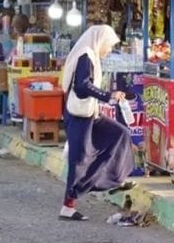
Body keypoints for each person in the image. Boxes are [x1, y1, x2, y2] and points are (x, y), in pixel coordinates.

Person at [57, 25, 136, 221]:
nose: (108, 51)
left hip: (90, 113)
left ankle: (112, 180)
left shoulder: (90, 54)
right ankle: (67, 207)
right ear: (100, 41)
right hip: (79, 115)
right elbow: (82, 86)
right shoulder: (86, 55)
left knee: (119, 134)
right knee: (79, 159)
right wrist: (108, 96)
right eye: (108, 46)